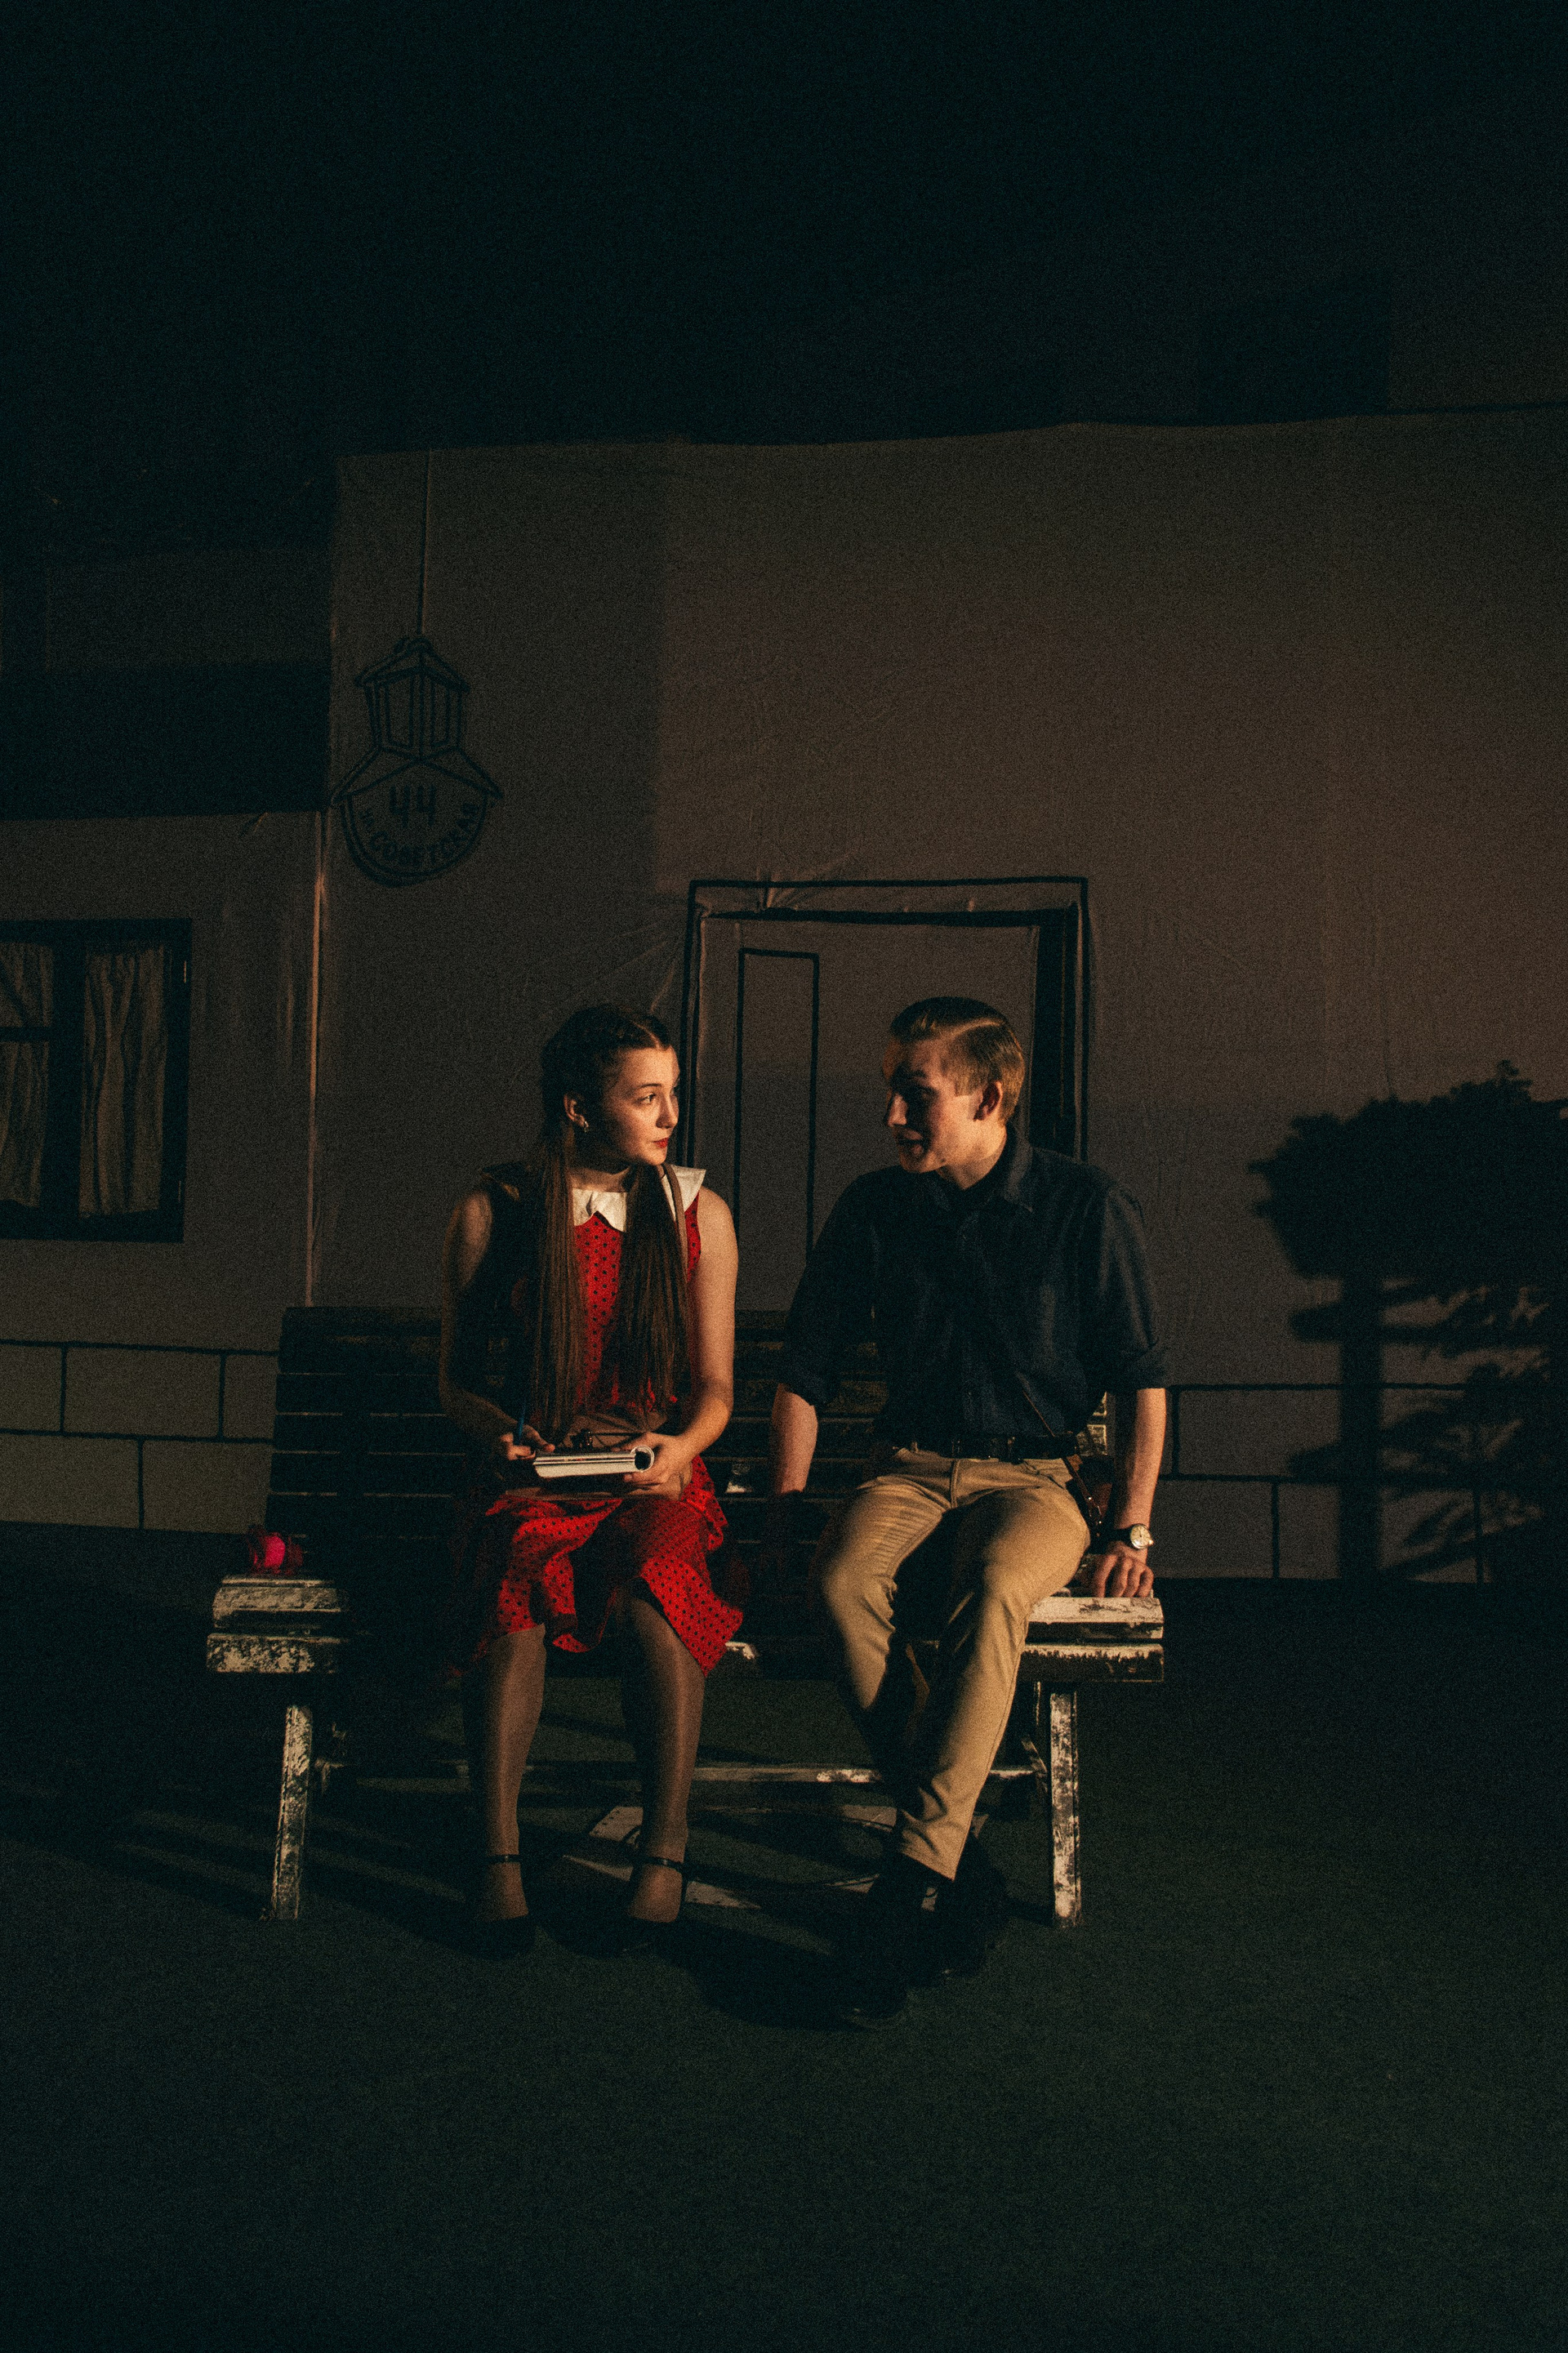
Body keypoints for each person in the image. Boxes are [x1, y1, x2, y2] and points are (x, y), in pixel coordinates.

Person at [766, 996, 1167, 2021]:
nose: (893, 1115)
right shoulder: (875, 1207)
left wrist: (1130, 1524)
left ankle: (908, 1886)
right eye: (890, 1091)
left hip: (1037, 1480)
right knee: (840, 1581)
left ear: (990, 1098)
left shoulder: (1085, 1205)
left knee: (993, 1591)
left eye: (917, 1093)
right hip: (908, 1469)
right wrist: (786, 1508)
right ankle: (962, 1866)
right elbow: (806, 1367)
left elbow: (1141, 1379)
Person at [439, 1004, 739, 1956]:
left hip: (653, 1476)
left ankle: (664, 1851)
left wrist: (679, 1450)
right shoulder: (500, 1209)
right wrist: (497, 1436)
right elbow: (455, 1381)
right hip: (536, 1475)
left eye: (673, 1094)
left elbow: (717, 1388)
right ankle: (497, 1858)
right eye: (646, 1097)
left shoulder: (696, 1211)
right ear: (577, 1106)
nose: (670, 1116)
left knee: (662, 1582)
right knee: (513, 1578)